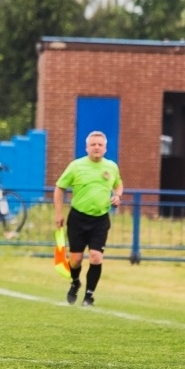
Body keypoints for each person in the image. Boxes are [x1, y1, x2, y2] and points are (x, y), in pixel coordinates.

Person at [53, 131, 123, 306]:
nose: (97, 147)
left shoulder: (111, 167)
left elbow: (118, 184)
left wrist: (118, 196)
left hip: (100, 219)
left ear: (105, 148)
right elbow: (59, 188)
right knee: (75, 259)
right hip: (78, 218)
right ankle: (75, 282)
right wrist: (58, 213)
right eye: (93, 144)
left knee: (96, 257)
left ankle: (89, 296)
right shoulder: (76, 166)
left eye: (100, 145)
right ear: (86, 148)